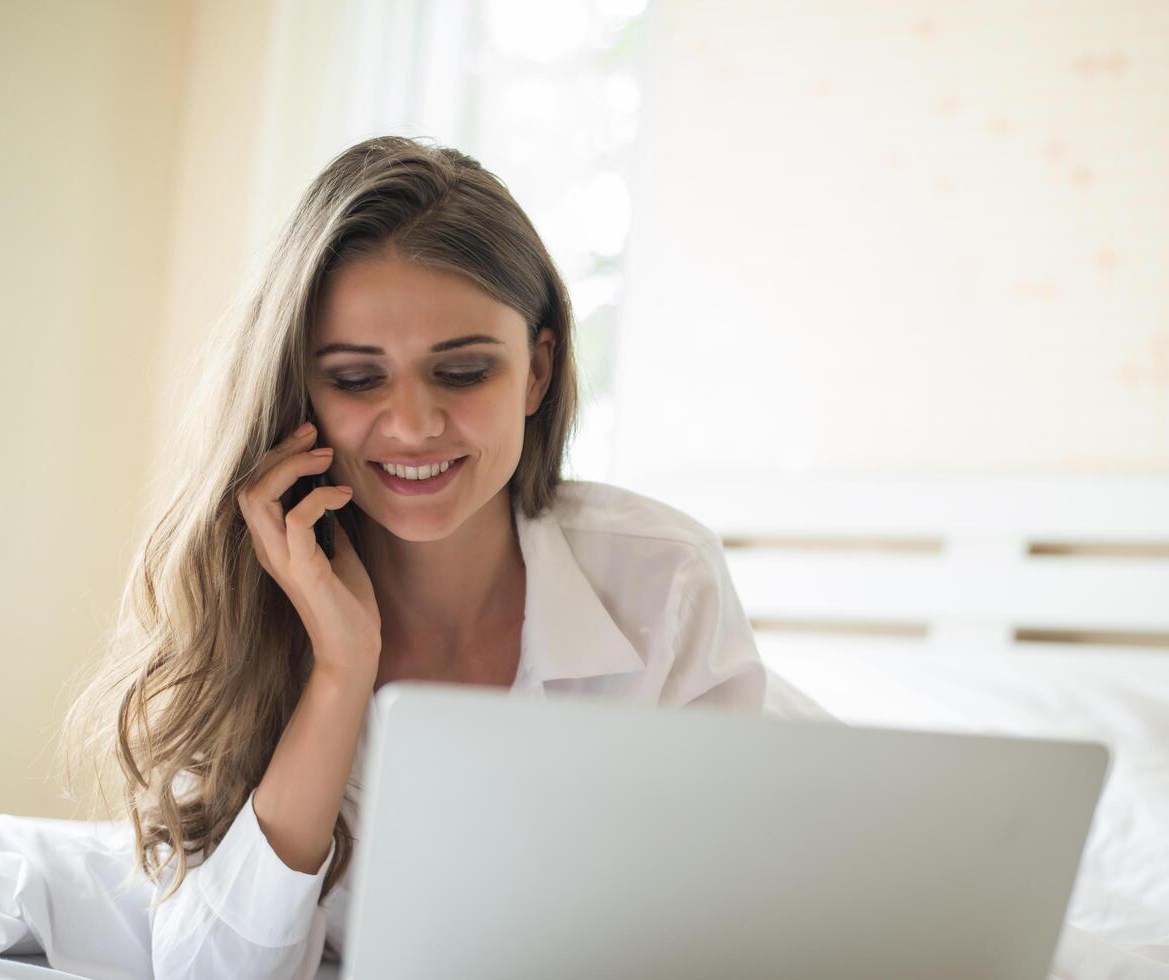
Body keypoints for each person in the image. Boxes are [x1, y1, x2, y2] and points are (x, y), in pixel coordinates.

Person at [58, 135, 787, 980]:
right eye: (358, 380)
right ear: (298, 390)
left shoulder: (667, 578)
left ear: (537, 372)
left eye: (464, 371)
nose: (411, 427)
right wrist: (340, 670)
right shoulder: (240, 599)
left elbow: (731, 919)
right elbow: (210, 972)